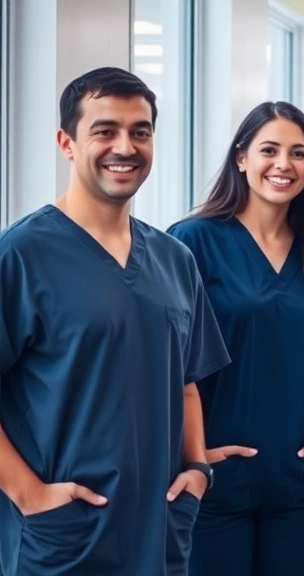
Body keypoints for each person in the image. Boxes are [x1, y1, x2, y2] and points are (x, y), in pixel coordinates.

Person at [0, 67, 229, 576]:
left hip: (160, 533)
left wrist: (197, 470)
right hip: (63, 538)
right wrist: (30, 494)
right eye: (104, 131)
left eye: (140, 132)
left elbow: (187, 381)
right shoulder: (21, 254)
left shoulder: (175, 259)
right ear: (66, 142)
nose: (124, 146)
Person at [167, 101, 304, 576]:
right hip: (216, 477)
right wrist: (196, 456)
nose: (284, 164)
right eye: (270, 150)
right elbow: (170, 365)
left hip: (297, 476)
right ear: (241, 158)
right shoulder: (191, 241)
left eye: (299, 153)